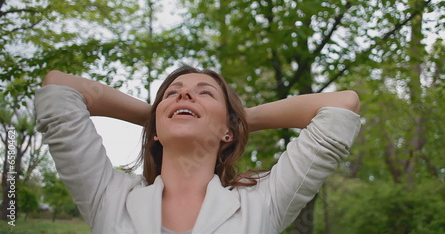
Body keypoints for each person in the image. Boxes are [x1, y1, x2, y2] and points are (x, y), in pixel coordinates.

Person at [35, 65, 361, 234]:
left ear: (228, 133)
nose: (184, 96)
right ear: (155, 134)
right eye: (172, 93)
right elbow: (60, 89)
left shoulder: (262, 202)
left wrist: (239, 121)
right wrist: (155, 117)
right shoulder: (109, 195)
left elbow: (342, 106)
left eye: (204, 93)